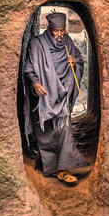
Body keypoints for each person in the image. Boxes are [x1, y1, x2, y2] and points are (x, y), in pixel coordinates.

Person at [24, 12, 90, 183]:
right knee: (46, 135)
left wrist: (74, 63)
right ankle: (51, 167)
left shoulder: (67, 42)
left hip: (62, 96)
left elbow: (78, 60)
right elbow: (29, 67)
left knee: (64, 130)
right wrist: (35, 84)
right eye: (57, 31)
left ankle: (65, 168)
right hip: (44, 97)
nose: (60, 35)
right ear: (49, 29)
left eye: (63, 30)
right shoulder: (37, 43)